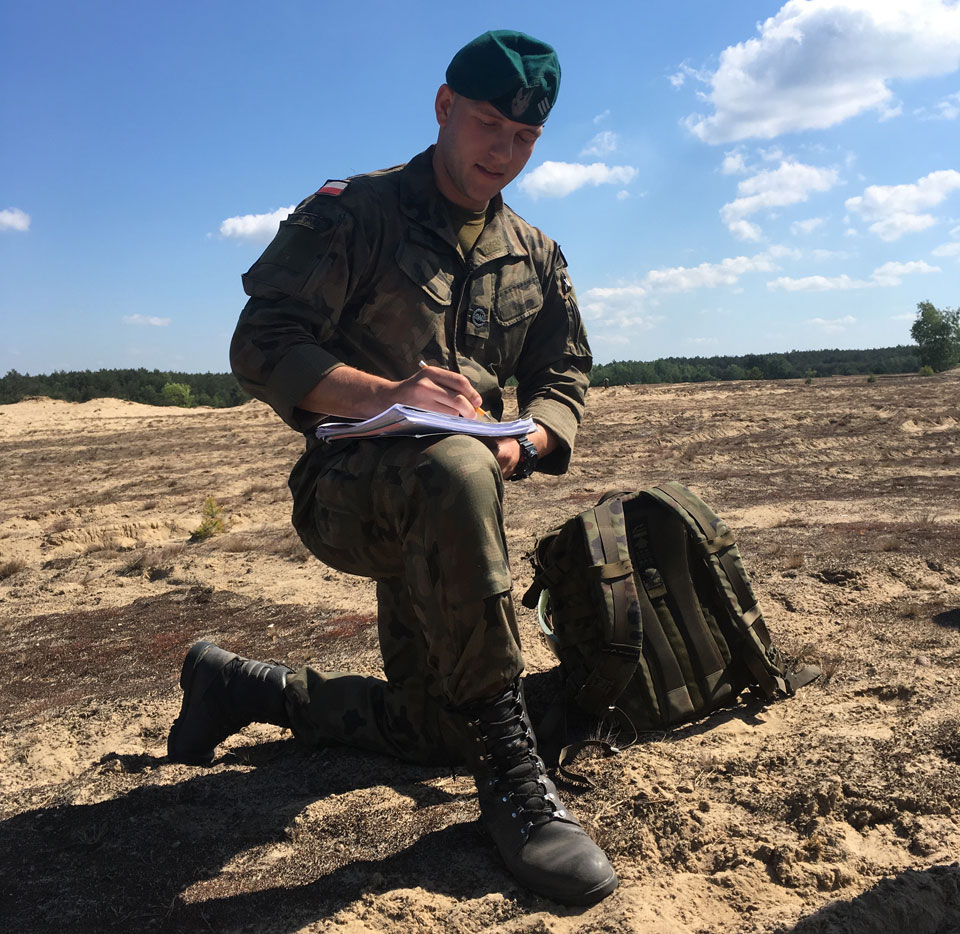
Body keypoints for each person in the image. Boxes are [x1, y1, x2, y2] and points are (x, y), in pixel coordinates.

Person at [167, 30, 617, 905]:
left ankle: (237, 686)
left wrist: (530, 442)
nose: (506, 151)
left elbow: (564, 374)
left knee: (431, 729)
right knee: (451, 466)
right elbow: (259, 343)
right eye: (490, 124)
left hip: (460, 511)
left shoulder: (535, 251)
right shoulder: (355, 212)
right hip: (348, 493)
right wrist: (385, 395)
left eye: (526, 138)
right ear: (445, 107)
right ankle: (519, 796)